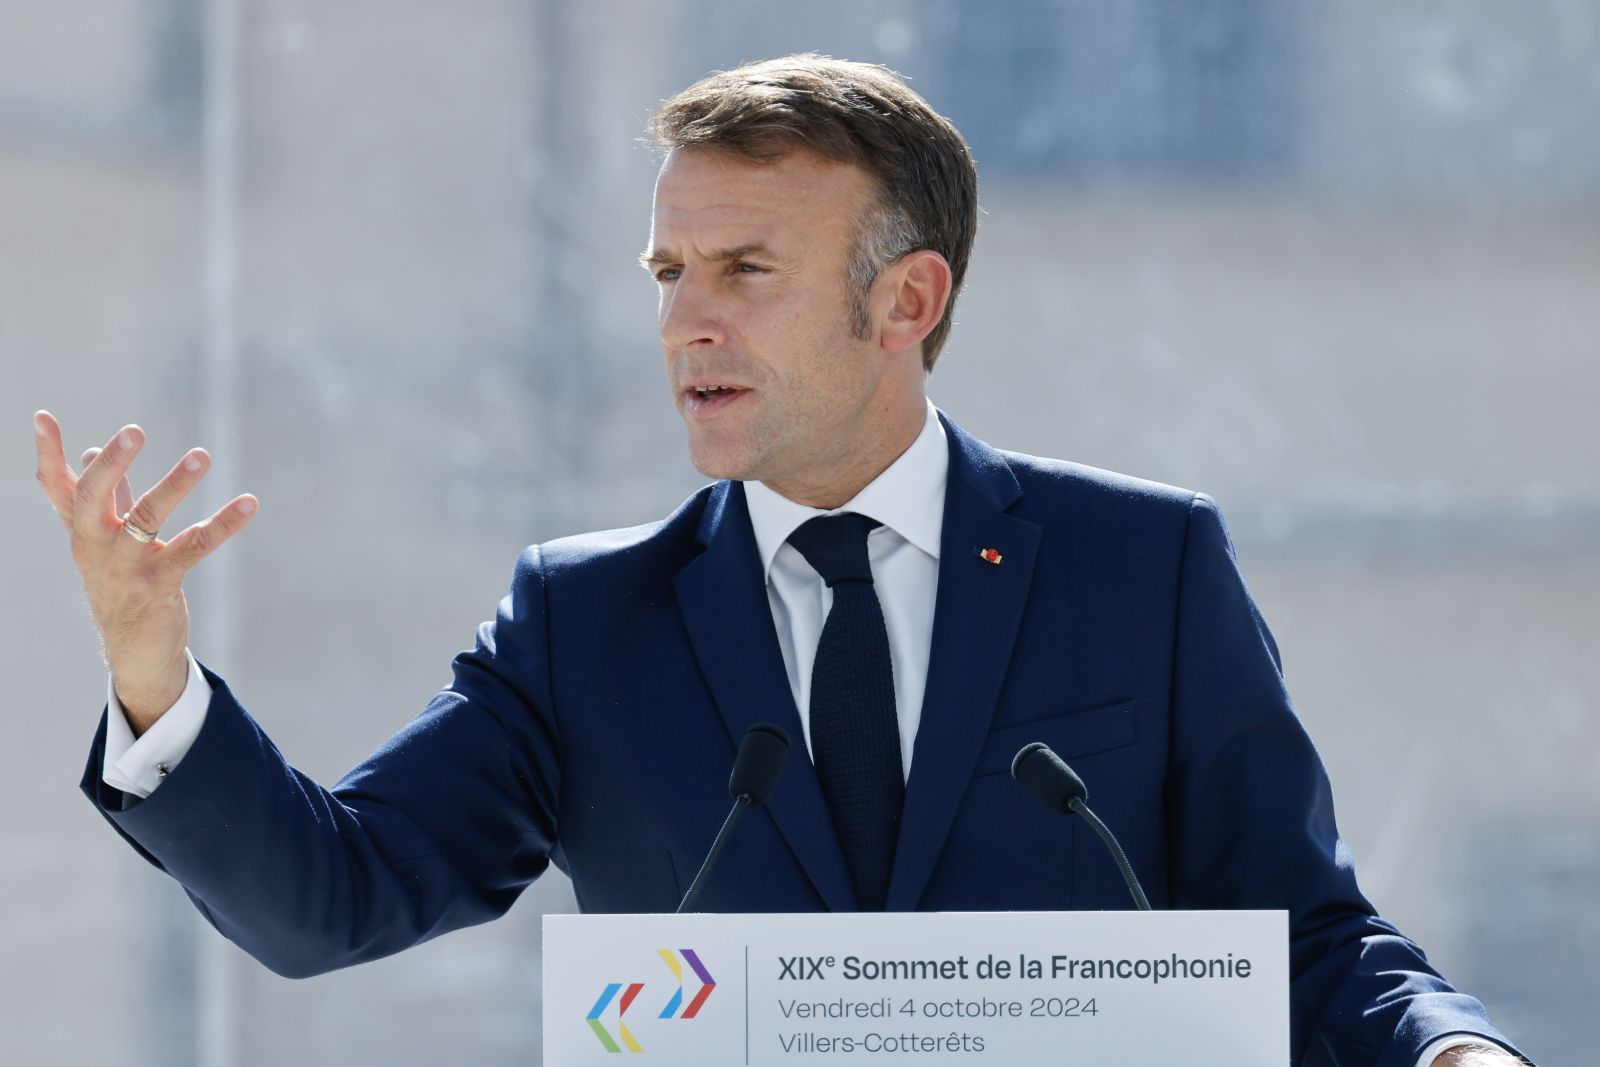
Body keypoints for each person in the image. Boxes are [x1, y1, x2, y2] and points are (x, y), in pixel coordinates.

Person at [35, 55, 1528, 1067]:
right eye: (670, 271)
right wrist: (154, 674)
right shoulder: (585, 623)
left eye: (747, 270)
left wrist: (1456, 1050)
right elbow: (325, 901)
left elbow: (1309, 935)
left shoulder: (1145, 570)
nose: (689, 318)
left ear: (906, 299)